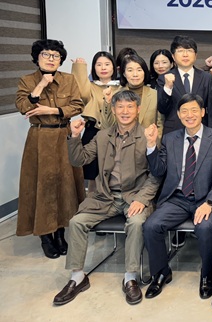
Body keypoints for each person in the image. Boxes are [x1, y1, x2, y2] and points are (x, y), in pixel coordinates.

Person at [53, 90, 160, 306]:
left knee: (136, 223)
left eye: (130, 106)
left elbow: (156, 176)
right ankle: (77, 277)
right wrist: (75, 137)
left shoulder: (147, 136)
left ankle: (130, 277)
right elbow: (79, 159)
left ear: (138, 109)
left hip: (134, 197)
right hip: (105, 197)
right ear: (113, 109)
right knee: (77, 222)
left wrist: (141, 199)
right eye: (120, 107)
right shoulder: (102, 136)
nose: (125, 111)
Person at [143, 94, 212, 300]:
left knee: (206, 228)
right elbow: (158, 170)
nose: (189, 115)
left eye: (194, 110)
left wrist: (210, 202)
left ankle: (206, 275)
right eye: (184, 111)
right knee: (151, 226)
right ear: (179, 115)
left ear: (202, 112)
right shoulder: (170, 138)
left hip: (205, 198)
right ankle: (161, 272)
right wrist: (151, 145)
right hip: (177, 198)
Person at [15, 39, 85, 259]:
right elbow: (23, 107)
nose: (51, 59)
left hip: (64, 135)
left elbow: (77, 105)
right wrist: (40, 86)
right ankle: (45, 236)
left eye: (56, 56)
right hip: (40, 138)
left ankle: (61, 234)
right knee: (43, 186)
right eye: (46, 54)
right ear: (37, 58)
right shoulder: (27, 80)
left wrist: (51, 110)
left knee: (66, 185)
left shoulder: (69, 79)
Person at [71, 51, 120, 181]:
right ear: (94, 68)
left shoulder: (121, 88)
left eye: (107, 64)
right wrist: (79, 67)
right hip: (93, 131)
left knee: (114, 173)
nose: (103, 68)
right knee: (92, 174)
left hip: (116, 132)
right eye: (99, 64)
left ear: (114, 67)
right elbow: (81, 90)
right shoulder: (90, 87)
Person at [157, 35, 212, 134]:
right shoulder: (163, 78)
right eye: (180, 51)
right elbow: (162, 109)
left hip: (201, 131)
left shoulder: (206, 77)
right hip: (174, 132)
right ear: (173, 56)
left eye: (189, 50)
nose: (185, 55)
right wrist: (168, 87)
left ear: (195, 55)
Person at [101, 54, 163, 142]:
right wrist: (107, 102)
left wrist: (154, 144)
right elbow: (107, 126)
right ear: (124, 73)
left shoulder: (155, 94)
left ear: (144, 72)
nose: (135, 74)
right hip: (121, 144)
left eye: (139, 70)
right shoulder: (115, 94)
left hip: (147, 143)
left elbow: (160, 124)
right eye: (130, 70)